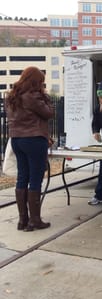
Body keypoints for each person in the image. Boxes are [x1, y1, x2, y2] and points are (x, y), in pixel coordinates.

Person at [5, 66, 54, 231]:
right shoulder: (32, 97)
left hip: (17, 141)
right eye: (41, 82)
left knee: (22, 178)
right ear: (35, 81)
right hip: (34, 141)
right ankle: (35, 220)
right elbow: (48, 113)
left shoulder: (12, 96)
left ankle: (23, 220)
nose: (42, 85)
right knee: (35, 179)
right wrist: (45, 97)